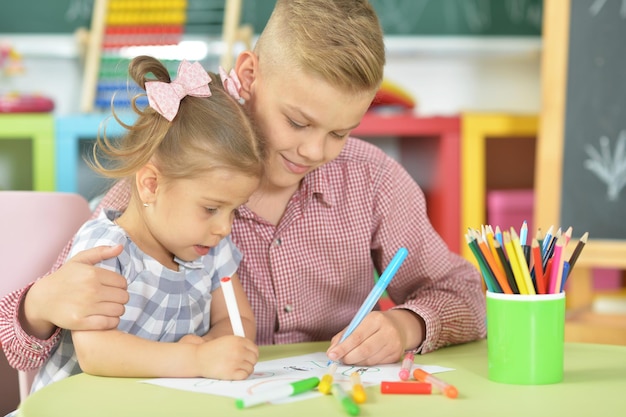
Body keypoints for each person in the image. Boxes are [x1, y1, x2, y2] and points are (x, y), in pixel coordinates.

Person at [0, 0, 486, 372]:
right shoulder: (175, 176)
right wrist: (40, 305)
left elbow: (468, 294)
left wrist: (407, 325)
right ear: (250, 74)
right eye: (298, 122)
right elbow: (19, 344)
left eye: (340, 132)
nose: (315, 152)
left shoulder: (373, 181)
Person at [28, 55, 264, 393]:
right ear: (150, 184)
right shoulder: (107, 248)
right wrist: (196, 361)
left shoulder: (211, 249)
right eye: (211, 208)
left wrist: (217, 347)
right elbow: (96, 352)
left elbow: (236, 320)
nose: (224, 228)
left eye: (234, 211)